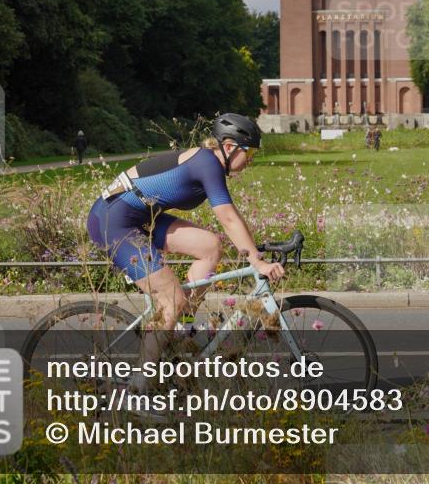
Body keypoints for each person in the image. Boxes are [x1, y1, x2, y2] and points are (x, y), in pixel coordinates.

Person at [87, 114, 285, 391]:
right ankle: (137, 389)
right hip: (113, 220)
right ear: (229, 147)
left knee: (210, 246)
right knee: (171, 301)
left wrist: (253, 251)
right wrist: (256, 260)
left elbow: (227, 222)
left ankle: (184, 326)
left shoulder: (208, 162)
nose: (251, 159)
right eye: (249, 152)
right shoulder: (207, 164)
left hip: (139, 216)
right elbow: (227, 217)